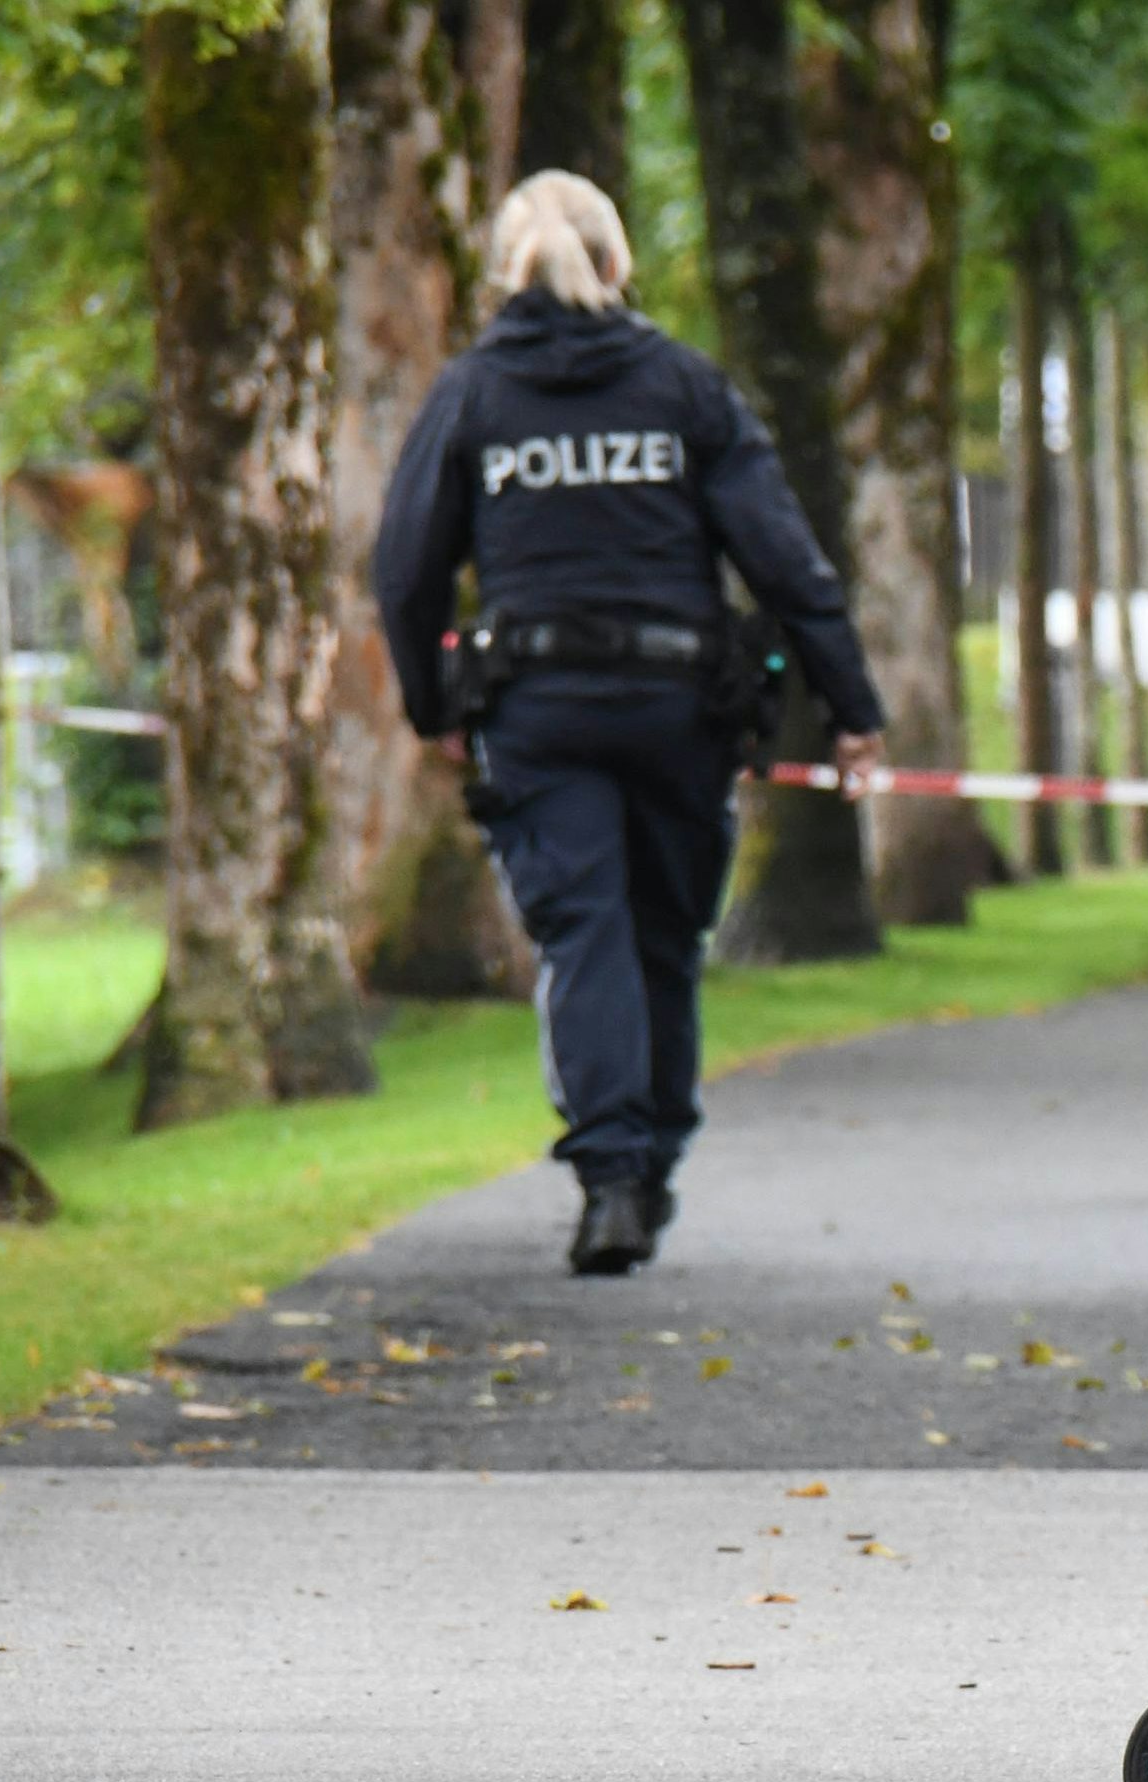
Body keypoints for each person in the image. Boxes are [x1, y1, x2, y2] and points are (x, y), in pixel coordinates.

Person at [372, 172, 889, 1275]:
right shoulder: (685, 388)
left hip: (538, 714)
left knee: (584, 934)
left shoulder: (471, 397)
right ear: (616, 267)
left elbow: (406, 569)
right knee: (661, 934)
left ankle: (609, 1177)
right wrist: (852, 710)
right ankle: (649, 1164)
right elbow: (786, 561)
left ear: (502, 278)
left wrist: (432, 705)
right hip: (678, 713)